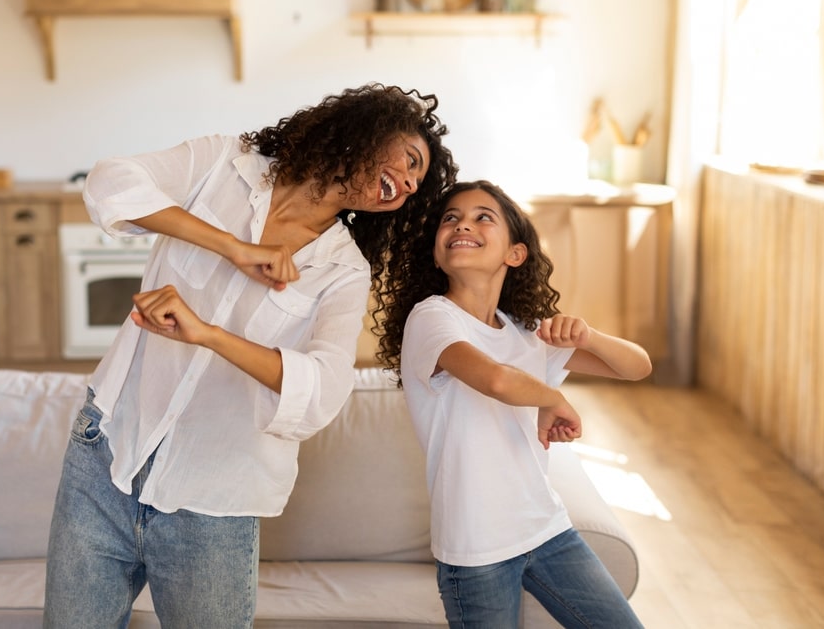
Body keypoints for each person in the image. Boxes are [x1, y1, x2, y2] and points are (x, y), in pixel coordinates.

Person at [42, 83, 458, 629]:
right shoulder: (225, 165)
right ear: (369, 130)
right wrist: (233, 247)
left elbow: (324, 390)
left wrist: (209, 334)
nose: (405, 184)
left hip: (216, 495)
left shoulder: (343, 270)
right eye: (409, 161)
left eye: (414, 186)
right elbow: (111, 182)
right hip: (108, 452)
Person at [379, 179, 651, 628]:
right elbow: (496, 379)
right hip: (476, 552)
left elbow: (636, 367)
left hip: (547, 531)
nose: (462, 223)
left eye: (482, 217)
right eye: (451, 218)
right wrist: (552, 397)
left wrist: (589, 336)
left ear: (515, 253)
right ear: (437, 251)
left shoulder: (526, 332)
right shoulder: (432, 318)